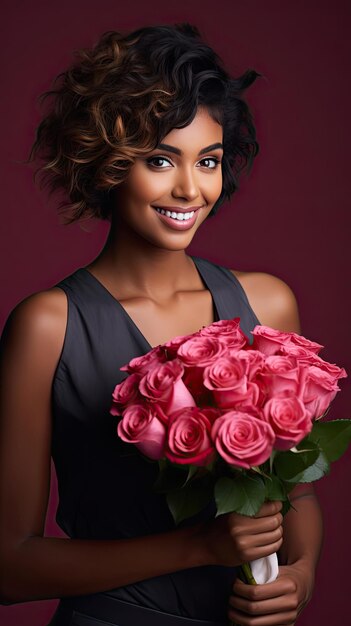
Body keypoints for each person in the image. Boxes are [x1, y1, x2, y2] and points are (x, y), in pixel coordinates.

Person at [0, 23, 323, 626]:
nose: (189, 188)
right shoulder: (48, 326)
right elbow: (9, 566)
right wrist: (199, 548)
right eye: (159, 160)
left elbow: (295, 491)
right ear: (105, 163)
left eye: (208, 161)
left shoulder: (268, 304)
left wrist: (298, 578)